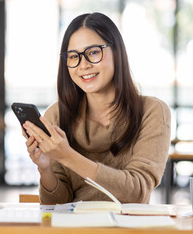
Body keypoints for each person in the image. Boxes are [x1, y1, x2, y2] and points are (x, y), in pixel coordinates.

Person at [22, 12, 171, 204]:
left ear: (117, 52)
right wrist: (45, 169)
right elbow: (57, 204)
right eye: (73, 56)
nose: (83, 65)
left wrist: (67, 156)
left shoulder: (152, 111)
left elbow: (137, 191)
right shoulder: (57, 115)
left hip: (126, 230)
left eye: (93, 52)